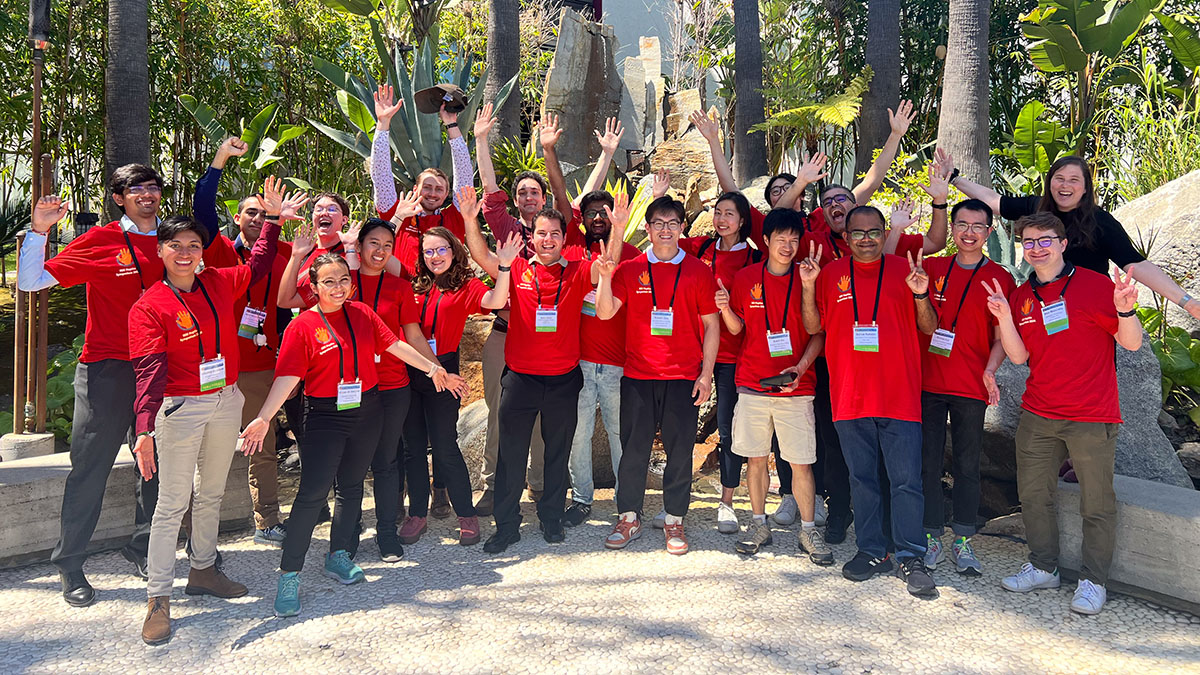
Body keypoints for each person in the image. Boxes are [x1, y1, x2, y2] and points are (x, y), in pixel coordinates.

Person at [19, 163, 220, 606]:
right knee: (90, 467)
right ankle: (70, 563)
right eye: (135, 189)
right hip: (108, 369)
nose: (146, 194)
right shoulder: (102, 240)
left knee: (159, 467)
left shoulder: (175, 241)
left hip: (165, 369)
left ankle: (144, 545)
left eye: (153, 187)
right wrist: (38, 230)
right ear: (118, 197)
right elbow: (32, 281)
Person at [240, 251, 466, 618]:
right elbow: (288, 378)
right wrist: (265, 417)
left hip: (367, 408)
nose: (339, 287)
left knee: (352, 486)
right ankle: (289, 574)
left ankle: (338, 554)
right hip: (325, 416)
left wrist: (432, 369)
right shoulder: (302, 327)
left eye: (344, 279)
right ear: (313, 288)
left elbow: (395, 345)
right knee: (312, 494)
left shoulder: (362, 314)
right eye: (328, 281)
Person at [126, 180, 297, 644]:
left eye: (194, 246)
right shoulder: (149, 306)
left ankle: (202, 569)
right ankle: (158, 598)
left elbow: (259, 264)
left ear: (204, 252)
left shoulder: (219, 282)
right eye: (176, 246)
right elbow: (148, 372)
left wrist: (275, 220)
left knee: (213, 493)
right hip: (180, 409)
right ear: (160, 251)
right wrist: (144, 430)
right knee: (171, 504)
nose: (185, 253)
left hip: (227, 400)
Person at [986, 211, 1142, 616]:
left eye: (1045, 240)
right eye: (1030, 242)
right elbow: (1019, 357)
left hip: (1092, 414)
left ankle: (1094, 581)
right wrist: (1004, 318)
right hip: (1039, 413)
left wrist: (1125, 311)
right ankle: (1043, 566)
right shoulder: (1021, 296)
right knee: (1035, 495)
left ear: (1062, 243)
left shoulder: (1095, 286)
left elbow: (1131, 345)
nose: (1037, 248)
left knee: (1097, 502)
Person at [470, 105, 615, 514]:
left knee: (543, 425)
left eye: (536, 192)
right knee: (503, 418)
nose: (530, 198)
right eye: (523, 194)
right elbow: (489, 193)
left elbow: (571, 198)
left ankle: (538, 486)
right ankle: (495, 487)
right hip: (509, 336)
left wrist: (553, 151)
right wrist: (481, 140)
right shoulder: (509, 237)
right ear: (517, 204)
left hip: (552, 351)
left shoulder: (562, 240)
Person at [797, 205, 939, 598]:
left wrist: (921, 294)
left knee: (906, 482)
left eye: (874, 232)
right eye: (857, 233)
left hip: (900, 397)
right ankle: (873, 550)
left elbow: (930, 327)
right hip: (849, 399)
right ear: (846, 239)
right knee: (862, 481)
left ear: (883, 233)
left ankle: (911, 555)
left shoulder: (904, 272)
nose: (866, 239)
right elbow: (813, 328)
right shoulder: (829, 275)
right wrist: (808, 287)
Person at [595, 196, 720, 556]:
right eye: (658, 224)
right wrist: (605, 279)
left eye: (673, 223)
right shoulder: (631, 269)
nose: (665, 230)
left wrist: (706, 374)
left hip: (683, 377)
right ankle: (629, 516)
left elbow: (711, 326)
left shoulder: (698, 270)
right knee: (633, 451)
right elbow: (605, 313)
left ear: (682, 228)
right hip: (638, 375)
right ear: (647, 229)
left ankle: (674, 519)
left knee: (680, 452)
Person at [949, 151, 1200, 317]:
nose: (1065, 185)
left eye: (1073, 180)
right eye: (1059, 178)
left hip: (1090, 308)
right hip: (1047, 306)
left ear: (1085, 188)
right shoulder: (1038, 207)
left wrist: (1188, 302)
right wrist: (953, 178)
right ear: (1050, 182)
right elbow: (995, 201)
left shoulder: (1100, 221)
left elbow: (1135, 263)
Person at [195, 149, 295, 549]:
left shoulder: (286, 253)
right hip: (215, 365)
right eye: (250, 212)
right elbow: (202, 208)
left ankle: (266, 520)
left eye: (264, 213)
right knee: (201, 449)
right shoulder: (217, 250)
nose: (257, 219)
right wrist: (218, 162)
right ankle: (196, 530)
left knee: (263, 443)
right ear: (237, 218)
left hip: (260, 364)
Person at [720, 209, 830, 564]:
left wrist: (799, 367)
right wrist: (724, 308)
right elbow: (738, 330)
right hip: (752, 383)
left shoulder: (807, 276)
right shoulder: (746, 277)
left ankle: (808, 528)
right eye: (780, 238)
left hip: (796, 386)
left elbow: (817, 332)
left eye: (794, 239)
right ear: (764, 240)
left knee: (801, 463)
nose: (788, 245)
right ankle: (758, 523)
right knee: (755, 459)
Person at [918, 198, 1015, 576]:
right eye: (962, 225)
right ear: (952, 229)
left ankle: (962, 538)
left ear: (989, 232)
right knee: (926, 462)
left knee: (967, 464)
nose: (969, 233)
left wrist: (991, 370)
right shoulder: (933, 268)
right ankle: (929, 535)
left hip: (970, 385)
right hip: (927, 383)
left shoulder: (1000, 278)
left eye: (978, 226)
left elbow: (1000, 338)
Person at [403, 222, 515, 545]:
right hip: (410, 369)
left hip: (445, 368)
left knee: (444, 445)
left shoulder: (465, 285)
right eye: (428, 251)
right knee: (412, 448)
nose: (435, 256)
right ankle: (417, 514)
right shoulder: (414, 284)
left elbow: (496, 301)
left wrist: (504, 266)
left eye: (441, 249)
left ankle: (464, 512)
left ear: (453, 251)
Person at [691, 101, 916, 242]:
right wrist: (713, 141)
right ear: (770, 202)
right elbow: (731, 189)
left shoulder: (825, 214)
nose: (781, 192)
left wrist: (895, 135)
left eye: (787, 187)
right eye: (775, 191)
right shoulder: (762, 224)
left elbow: (871, 183)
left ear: (801, 193)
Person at [678, 190, 760, 535]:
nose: (722, 219)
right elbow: (669, 238)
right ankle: (676, 505)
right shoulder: (700, 250)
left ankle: (727, 502)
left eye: (730, 214)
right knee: (679, 431)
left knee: (728, 431)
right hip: (690, 354)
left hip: (732, 358)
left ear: (743, 221)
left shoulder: (754, 259)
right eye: (718, 212)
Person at [559, 189, 640, 527]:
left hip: (618, 363)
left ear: (614, 217)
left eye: (604, 212)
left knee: (621, 434)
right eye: (590, 212)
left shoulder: (632, 255)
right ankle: (581, 499)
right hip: (578, 363)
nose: (597, 218)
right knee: (579, 434)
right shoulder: (573, 253)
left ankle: (626, 500)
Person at [370, 83, 473, 281]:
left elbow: (465, 175)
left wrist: (451, 125)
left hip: (445, 297)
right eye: (427, 187)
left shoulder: (455, 217)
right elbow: (380, 173)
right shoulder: (396, 212)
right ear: (415, 189)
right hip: (403, 297)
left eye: (439, 189)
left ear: (446, 195)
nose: (432, 193)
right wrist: (383, 124)